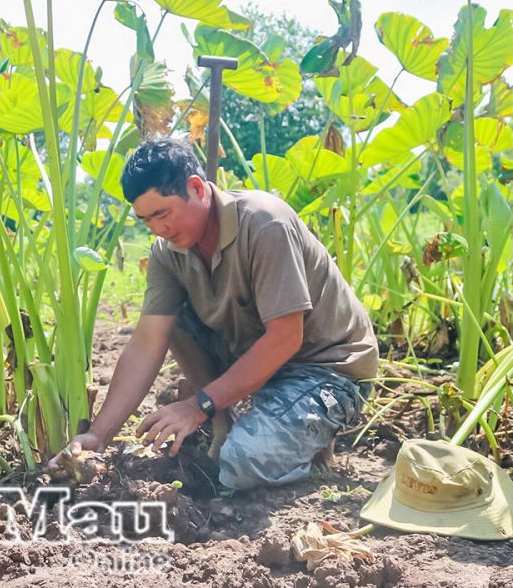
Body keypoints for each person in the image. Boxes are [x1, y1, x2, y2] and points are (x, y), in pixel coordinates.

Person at [49, 137, 377, 490]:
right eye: (146, 220)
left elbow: (285, 338)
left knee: (241, 464)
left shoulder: (265, 223)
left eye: (163, 213)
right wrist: (98, 435)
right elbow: (147, 344)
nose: (158, 228)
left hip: (326, 370)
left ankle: (309, 450)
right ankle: (228, 422)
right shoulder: (168, 253)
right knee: (168, 317)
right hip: (262, 363)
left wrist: (196, 406)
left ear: (196, 188)